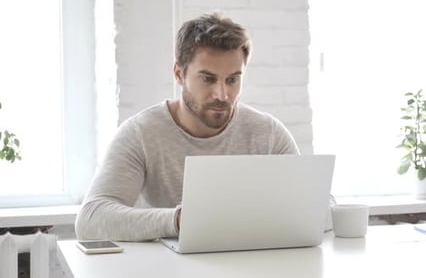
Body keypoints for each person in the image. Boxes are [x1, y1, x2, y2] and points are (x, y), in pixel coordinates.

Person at [75, 12, 299, 241]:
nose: (222, 95)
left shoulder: (268, 134)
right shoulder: (140, 133)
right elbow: (91, 220)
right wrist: (180, 220)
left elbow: (317, 206)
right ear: (179, 74)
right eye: (208, 79)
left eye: (233, 79)